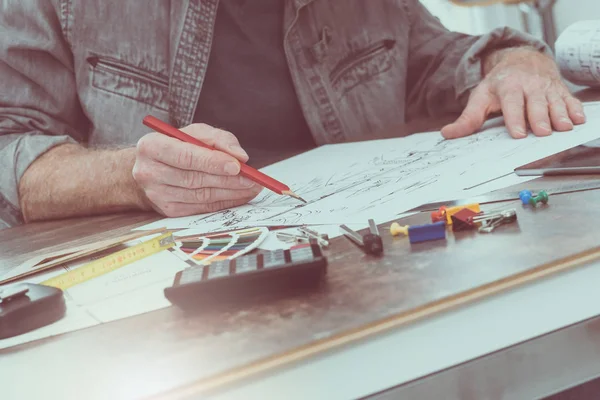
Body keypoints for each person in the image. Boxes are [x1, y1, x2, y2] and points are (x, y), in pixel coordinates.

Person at [0, 0, 586, 229]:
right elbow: (11, 144)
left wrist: (516, 61)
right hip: (152, 307)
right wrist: (128, 175)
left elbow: (443, 59)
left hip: (362, 256)